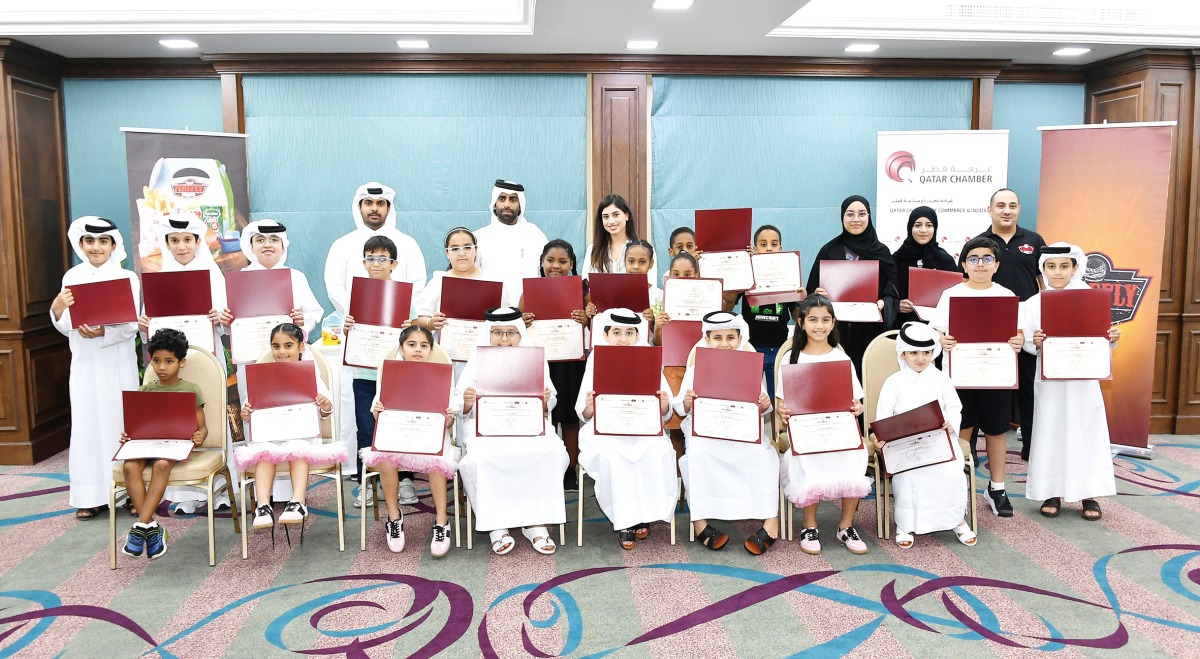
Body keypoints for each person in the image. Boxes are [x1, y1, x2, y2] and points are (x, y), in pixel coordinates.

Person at [454, 306, 567, 555]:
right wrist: (468, 402)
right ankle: (497, 525)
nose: (504, 340)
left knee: (553, 452)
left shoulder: (534, 359)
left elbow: (550, 404)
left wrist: (546, 398)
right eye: (497, 333)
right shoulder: (477, 360)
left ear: (520, 335)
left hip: (528, 425)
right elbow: (458, 405)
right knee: (481, 458)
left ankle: (535, 523)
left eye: (510, 333)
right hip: (485, 427)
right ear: (489, 334)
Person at [51, 217, 141, 520]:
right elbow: (64, 324)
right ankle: (91, 495)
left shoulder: (127, 277)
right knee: (88, 426)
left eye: (103, 241)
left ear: (113, 244)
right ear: (81, 244)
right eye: (90, 241)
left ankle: (130, 492)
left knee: (122, 426)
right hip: (86, 363)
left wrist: (104, 331)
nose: (96, 247)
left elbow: (131, 325)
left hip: (117, 362)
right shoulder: (71, 276)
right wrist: (58, 307)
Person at [1024, 243, 1121, 521]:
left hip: (1083, 380)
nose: (1057, 272)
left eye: (1064, 266)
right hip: (1051, 379)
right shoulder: (1034, 303)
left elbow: (1103, 339)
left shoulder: (1091, 299)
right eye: (1051, 266)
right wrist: (1036, 342)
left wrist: (1113, 338)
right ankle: (1051, 491)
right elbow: (1028, 345)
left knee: (1085, 429)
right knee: (1050, 429)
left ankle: (1088, 494)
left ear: (1075, 268)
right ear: (1043, 268)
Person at [931, 236, 1026, 518]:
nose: (980, 264)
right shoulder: (951, 294)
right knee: (963, 429)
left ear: (996, 265)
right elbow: (934, 331)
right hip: (959, 376)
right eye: (973, 259)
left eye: (987, 259)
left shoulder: (1007, 296)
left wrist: (1018, 341)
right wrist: (941, 340)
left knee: (997, 431)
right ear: (964, 264)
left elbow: (1017, 333)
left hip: (996, 376)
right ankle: (957, 486)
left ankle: (997, 488)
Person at [673, 311, 779, 554]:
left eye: (730, 337)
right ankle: (700, 522)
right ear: (707, 340)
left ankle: (770, 520)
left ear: (739, 339)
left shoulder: (749, 366)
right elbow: (680, 406)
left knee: (762, 454)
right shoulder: (695, 368)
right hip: (706, 431)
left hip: (742, 429)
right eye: (717, 337)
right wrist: (687, 401)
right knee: (697, 454)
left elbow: (764, 406)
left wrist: (764, 404)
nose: (724, 343)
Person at [576, 309, 678, 550]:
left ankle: (644, 514)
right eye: (617, 333)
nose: (624, 339)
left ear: (638, 334)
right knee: (614, 456)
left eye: (630, 333)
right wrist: (590, 406)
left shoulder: (647, 356)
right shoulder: (595, 358)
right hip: (606, 431)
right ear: (606, 334)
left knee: (658, 451)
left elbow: (666, 411)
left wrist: (664, 406)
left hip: (643, 429)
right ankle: (625, 521)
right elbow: (584, 413)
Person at [777, 295, 871, 555]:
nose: (819, 326)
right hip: (806, 430)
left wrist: (858, 408)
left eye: (825, 320)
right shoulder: (790, 359)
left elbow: (856, 402)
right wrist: (783, 412)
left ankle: (846, 526)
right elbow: (781, 404)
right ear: (801, 323)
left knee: (856, 451)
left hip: (838, 428)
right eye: (813, 319)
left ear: (833, 323)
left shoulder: (841, 357)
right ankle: (809, 526)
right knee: (808, 457)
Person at [874, 322, 976, 548]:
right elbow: (883, 416)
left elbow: (954, 408)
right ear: (903, 353)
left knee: (951, 472)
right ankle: (905, 524)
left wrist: (951, 424)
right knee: (909, 476)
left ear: (934, 352)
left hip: (939, 442)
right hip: (904, 445)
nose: (920, 358)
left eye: (926, 352)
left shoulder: (941, 378)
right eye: (914, 353)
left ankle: (956, 520)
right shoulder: (893, 382)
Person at [235, 323, 345, 531]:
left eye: (288, 346)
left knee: (298, 448)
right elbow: (251, 408)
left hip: (302, 433)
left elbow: (326, 411)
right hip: (272, 434)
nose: (282, 352)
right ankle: (263, 506)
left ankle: (297, 502)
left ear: (301, 347)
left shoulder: (310, 373)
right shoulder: (264, 375)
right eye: (276, 346)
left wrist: (324, 405)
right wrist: (246, 413)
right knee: (265, 452)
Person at [364, 325, 458, 556]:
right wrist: (378, 410)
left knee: (436, 462)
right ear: (402, 348)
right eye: (412, 344)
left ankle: (442, 521)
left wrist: (448, 419)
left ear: (431, 350)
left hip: (430, 437)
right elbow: (378, 413)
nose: (418, 350)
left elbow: (450, 421)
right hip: (398, 437)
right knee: (386, 461)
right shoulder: (391, 375)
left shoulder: (441, 376)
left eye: (424, 345)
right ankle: (394, 517)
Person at [343, 236, 419, 506]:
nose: (376, 263)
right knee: (366, 429)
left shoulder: (403, 296)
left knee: (400, 427)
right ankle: (367, 481)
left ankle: (406, 478)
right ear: (364, 263)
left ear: (394, 263)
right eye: (370, 258)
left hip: (397, 376)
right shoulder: (355, 297)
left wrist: (410, 327)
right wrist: (348, 329)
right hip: (365, 375)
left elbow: (416, 337)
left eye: (382, 258)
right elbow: (348, 338)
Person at [120, 328, 208, 559]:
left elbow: (202, 428)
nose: (161, 367)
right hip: (145, 444)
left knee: (161, 465)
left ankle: (141, 526)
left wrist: (199, 436)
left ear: (181, 362)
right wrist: (127, 436)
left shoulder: (190, 390)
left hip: (174, 445)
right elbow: (136, 425)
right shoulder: (145, 390)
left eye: (169, 361)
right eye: (157, 361)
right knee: (129, 466)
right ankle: (150, 527)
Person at [977, 188, 1046, 461]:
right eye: (1001, 205)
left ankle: (1032, 446)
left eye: (1013, 206)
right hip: (989, 324)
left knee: (1029, 388)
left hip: (1026, 325)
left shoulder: (1034, 240)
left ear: (1019, 209)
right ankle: (975, 447)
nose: (1007, 210)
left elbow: (1045, 283)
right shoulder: (980, 243)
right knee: (988, 387)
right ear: (990, 209)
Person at [520, 239, 590, 492]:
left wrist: (586, 318)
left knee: (570, 417)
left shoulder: (582, 289)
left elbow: (595, 321)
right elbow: (517, 329)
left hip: (571, 362)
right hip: (542, 364)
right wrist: (524, 322)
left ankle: (570, 469)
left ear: (571, 264)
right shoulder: (530, 291)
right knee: (545, 415)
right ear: (541, 262)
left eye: (562, 261)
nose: (556, 266)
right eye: (550, 260)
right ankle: (547, 465)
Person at [808, 195, 900, 373]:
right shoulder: (829, 250)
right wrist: (817, 294)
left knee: (868, 378)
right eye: (850, 214)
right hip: (835, 333)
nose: (856, 219)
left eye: (861, 214)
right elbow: (811, 292)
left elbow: (893, 290)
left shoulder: (882, 252)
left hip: (870, 332)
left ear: (869, 216)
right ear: (842, 217)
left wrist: (884, 301)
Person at [323, 181, 426, 316]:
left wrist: (397, 312)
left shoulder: (408, 244)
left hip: (398, 322)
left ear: (389, 208)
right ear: (359, 207)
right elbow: (334, 287)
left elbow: (417, 286)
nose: (374, 208)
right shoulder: (342, 245)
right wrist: (359, 312)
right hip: (355, 322)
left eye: (380, 203)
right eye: (368, 203)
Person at [732, 224, 805, 400]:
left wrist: (801, 299)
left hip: (779, 348)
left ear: (780, 249)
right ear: (755, 249)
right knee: (750, 397)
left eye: (774, 244)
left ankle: (775, 428)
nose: (769, 248)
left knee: (778, 399)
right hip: (752, 347)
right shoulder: (747, 275)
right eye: (763, 244)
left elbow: (797, 318)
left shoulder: (789, 276)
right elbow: (727, 305)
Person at [413, 227, 518, 334]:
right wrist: (430, 323)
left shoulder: (494, 280)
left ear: (476, 250)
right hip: (448, 347)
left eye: (467, 247)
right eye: (455, 249)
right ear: (447, 253)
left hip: (488, 345)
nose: (461, 253)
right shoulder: (438, 281)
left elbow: (510, 313)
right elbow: (418, 319)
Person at [238, 219, 324, 339]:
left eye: (274, 240)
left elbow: (313, 313)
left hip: (288, 350)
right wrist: (226, 321)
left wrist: (302, 321)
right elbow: (229, 322)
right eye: (260, 240)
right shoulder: (240, 280)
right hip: (251, 352)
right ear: (251, 247)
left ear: (283, 247)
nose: (267, 245)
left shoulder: (296, 276)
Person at [473, 180, 548, 298]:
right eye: (502, 199)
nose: (507, 204)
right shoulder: (479, 237)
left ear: (520, 206)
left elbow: (547, 273)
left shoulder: (534, 234)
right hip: (492, 311)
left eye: (513, 199)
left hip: (529, 311)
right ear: (494, 204)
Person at [893, 206, 960, 326]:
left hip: (937, 329)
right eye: (917, 225)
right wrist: (896, 305)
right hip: (902, 327)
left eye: (929, 225)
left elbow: (955, 298)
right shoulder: (897, 260)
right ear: (910, 228)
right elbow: (885, 294)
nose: (923, 230)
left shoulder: (945, 260)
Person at [583, 194, 638, 276]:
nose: (611, 221)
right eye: (605, 217)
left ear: (627, 216)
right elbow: (585, 284)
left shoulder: (643, 250)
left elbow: (650, 285)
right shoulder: (592, 250)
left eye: (616, 215)